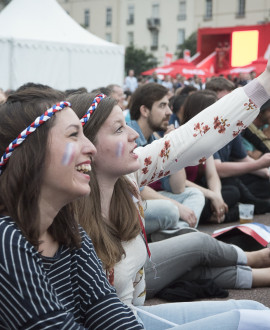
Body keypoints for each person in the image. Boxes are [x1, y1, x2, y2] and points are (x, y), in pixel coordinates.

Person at [69, 56, 270, 328]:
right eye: (118, 128)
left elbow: (190, 138)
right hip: (124, 323)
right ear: (86, 146)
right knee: (252, 321)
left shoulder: (130, 174)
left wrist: (264, 83)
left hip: (134, 314)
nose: (133, 134)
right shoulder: (60, 212)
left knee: (254, 309)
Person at [0, 85, 142, 329]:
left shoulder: (69, 231)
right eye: (73, 135)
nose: (90, 148)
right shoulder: (7, 241)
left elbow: (108, 310)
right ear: (33, 152)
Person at [128, 83, 205, 239]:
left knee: (195, 194)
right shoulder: (130, 137)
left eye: (169, 106)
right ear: (144, 110)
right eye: (162, 106)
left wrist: (173, 149)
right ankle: (178, 236)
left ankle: (175, 234)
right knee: (169, 209)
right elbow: (135, 186)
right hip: (129, 205)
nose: (169, 112)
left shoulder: (154, 139)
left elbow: (177, 188)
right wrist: (178, 206)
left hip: (152, 202)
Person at [206, 76, 270, 200]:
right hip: (212, 182)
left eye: (230, 100)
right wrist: (258, 164)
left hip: (228, 176)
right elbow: (217, 169)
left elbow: (243, 158)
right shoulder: (207, 126)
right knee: (234, 191)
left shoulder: (231, 121)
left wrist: (266, 172)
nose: (228, 105)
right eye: (222, 100)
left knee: (264, 184)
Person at [182, 89, 241, 223]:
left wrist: (217, 196)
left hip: (201, 191)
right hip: (184, 194)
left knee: (233, 190)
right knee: (203, 201)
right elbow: (179, 183)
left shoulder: (205, 137)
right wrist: (211, 195)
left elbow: (212, 175)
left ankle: (219, 214)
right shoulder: (181, 137)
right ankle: (223, 216)